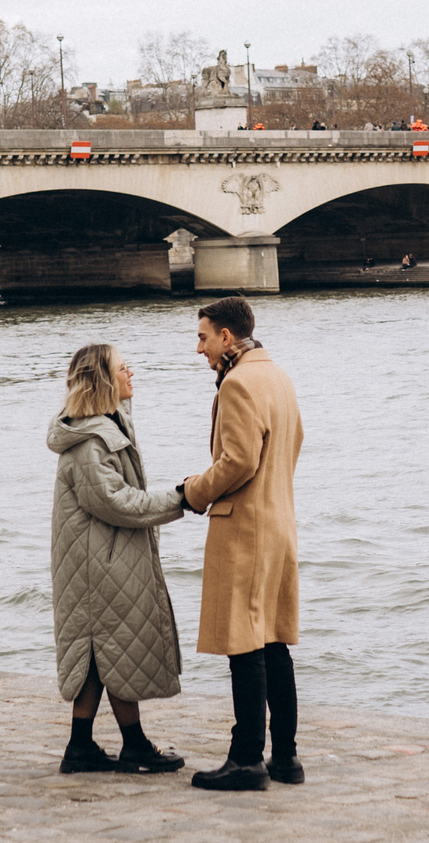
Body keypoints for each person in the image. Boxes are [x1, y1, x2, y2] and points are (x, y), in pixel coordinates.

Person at [47, 343, 191, 776]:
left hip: (98, 557)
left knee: (99, 652)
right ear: (104, 381)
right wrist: (182, 499)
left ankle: (82, 746)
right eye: (123, 367)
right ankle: (133, 746)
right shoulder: (91, 442)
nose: (132, 372)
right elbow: (115, 502)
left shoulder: (105, 426)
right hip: (100, 564)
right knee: (112, 647)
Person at [183, 297, 304, 792]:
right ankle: (286, 757)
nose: (199, 349)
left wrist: (193, 491)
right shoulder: (277, 376)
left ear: (227, 337)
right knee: (273, 641)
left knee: (244, 644)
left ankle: (246, 759)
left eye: (204, 337)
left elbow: (237, 463)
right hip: (279, 520)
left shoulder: (237, 384)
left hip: (245, 525)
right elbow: (293, 443)